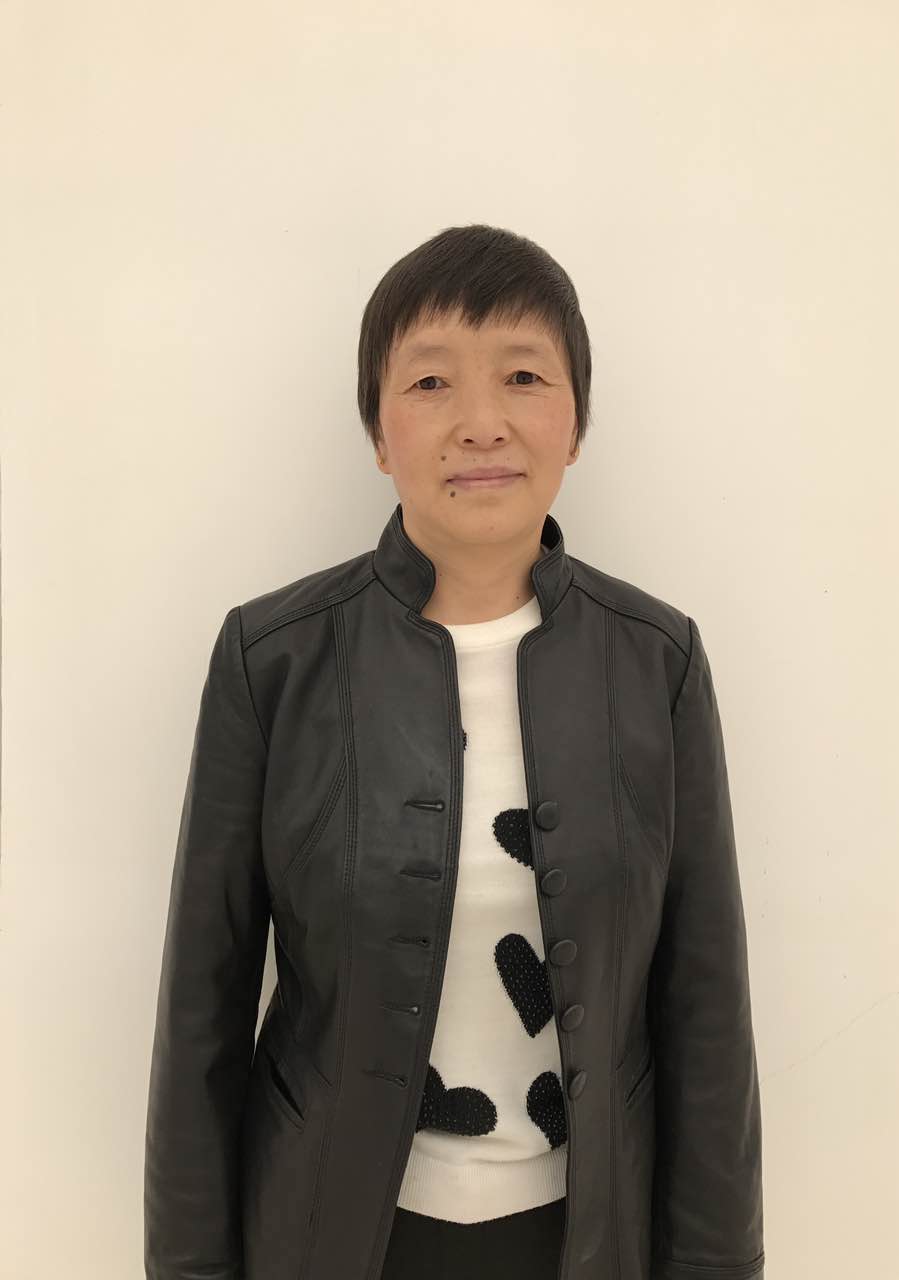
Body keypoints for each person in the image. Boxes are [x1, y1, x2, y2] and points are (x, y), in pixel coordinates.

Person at [144, 223, 764, 1280]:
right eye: (431, 381)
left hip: (587, 1235)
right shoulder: (273, 659)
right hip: (329, 1235)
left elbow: (706, 1017)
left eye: (523, 375)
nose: (481, 422)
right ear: (378, 432)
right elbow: (200, 1015)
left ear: (576, 423)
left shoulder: (655, 660)